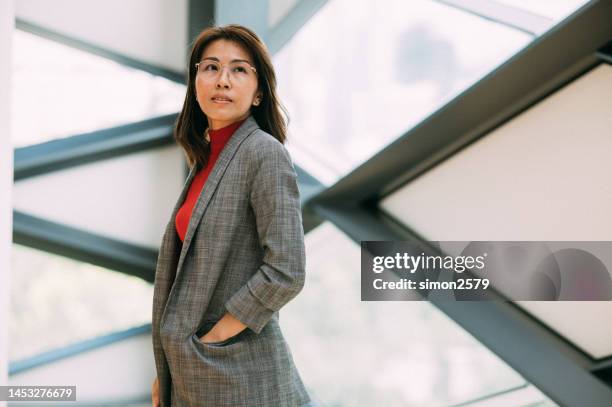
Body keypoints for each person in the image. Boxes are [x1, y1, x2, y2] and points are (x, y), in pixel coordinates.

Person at [150, 24, 312, 406]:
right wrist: (166, 373)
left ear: (258, 93)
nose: (222, 80)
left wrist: (217, 337)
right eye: (211, 67)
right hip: (189, 376)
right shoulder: (206, 159)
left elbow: (287, 269)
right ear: (195, 82)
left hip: (240, 376)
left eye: (239, 70)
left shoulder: (264, 153)